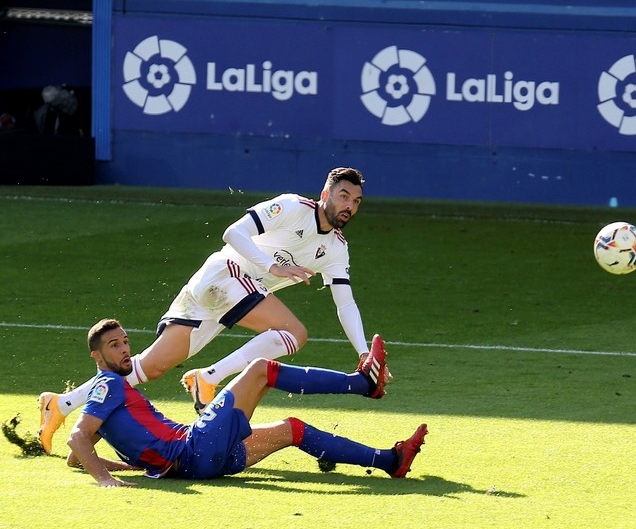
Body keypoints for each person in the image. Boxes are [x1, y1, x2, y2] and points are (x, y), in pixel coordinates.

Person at [39, 167, 384, 454]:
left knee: (151, 366)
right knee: (294, 334)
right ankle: (209, 377)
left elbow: (345, 302)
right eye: (343, 196)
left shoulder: (336, 249)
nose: (349, 206)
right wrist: (270, 266)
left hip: (228, 294)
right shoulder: (292, 207)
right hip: (225, 274)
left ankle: (62, 404)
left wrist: (364, 353)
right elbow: (233, 232)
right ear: (325, 194)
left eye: (356, 201)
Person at [66, 318, 423, 487]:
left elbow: (76, 455)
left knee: (292, 430)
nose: (126, 349)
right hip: (194, 450)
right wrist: (105, 481)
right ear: (98, 357)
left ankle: (390, 461)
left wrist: (134, 466)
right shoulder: (108, 385)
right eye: (115, 346)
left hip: (200, 461)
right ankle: (363, 383)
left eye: (125, 341)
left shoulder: (110, 395)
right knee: (259, 371)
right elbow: (77, 440)